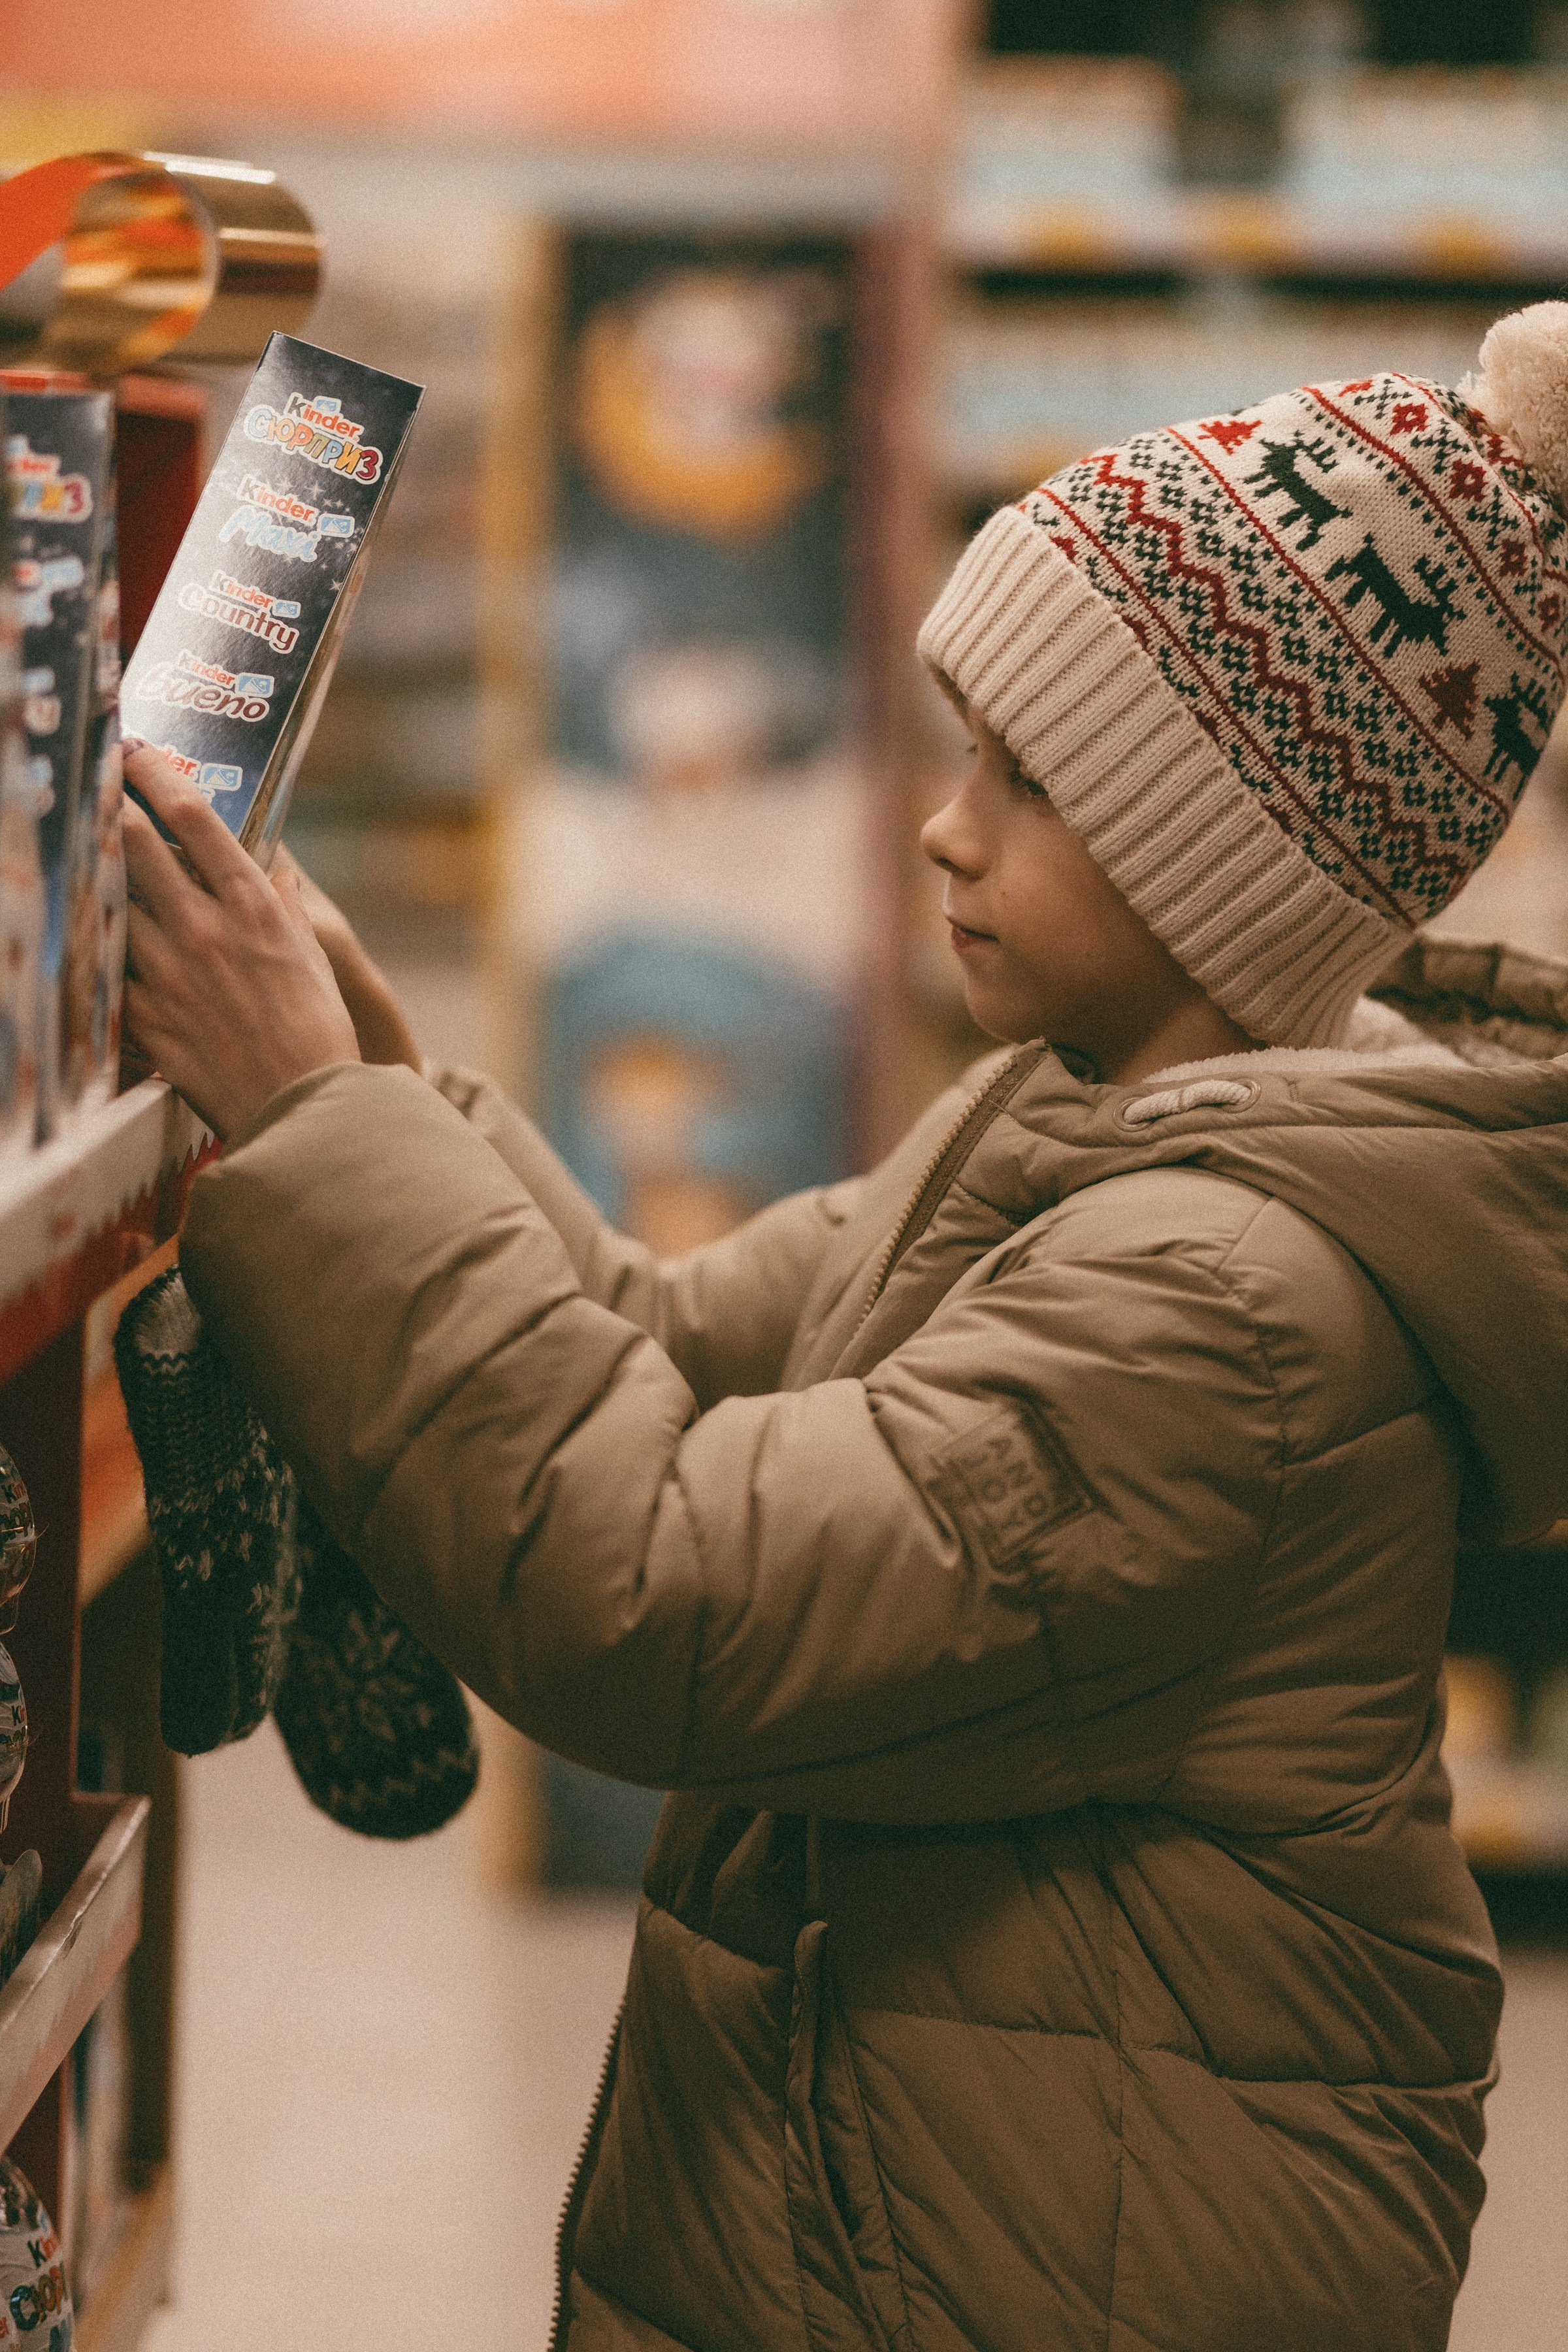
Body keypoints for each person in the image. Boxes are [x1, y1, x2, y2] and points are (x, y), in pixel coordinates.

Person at [120, 306, 1568, 2352]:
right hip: (939, 2204)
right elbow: (671, 1344)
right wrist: (376, 1087)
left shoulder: (1228, 1307)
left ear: (1225, 869)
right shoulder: (1069, 1111)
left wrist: (316, 1136)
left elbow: (671, 1587)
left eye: (1035, 786)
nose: (946, 827)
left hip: (1068, 2269)